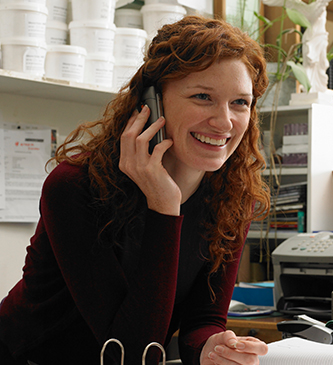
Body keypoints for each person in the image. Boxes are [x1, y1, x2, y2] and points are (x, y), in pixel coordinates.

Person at [0, 15, 271, 365]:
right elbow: (127, 351)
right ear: (151, 102)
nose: (224, 122)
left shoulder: (232, 197)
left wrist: (212, 348)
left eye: (240, 103)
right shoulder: (75, 186)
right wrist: (164, 207)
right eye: (203, 96)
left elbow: (202, 320)